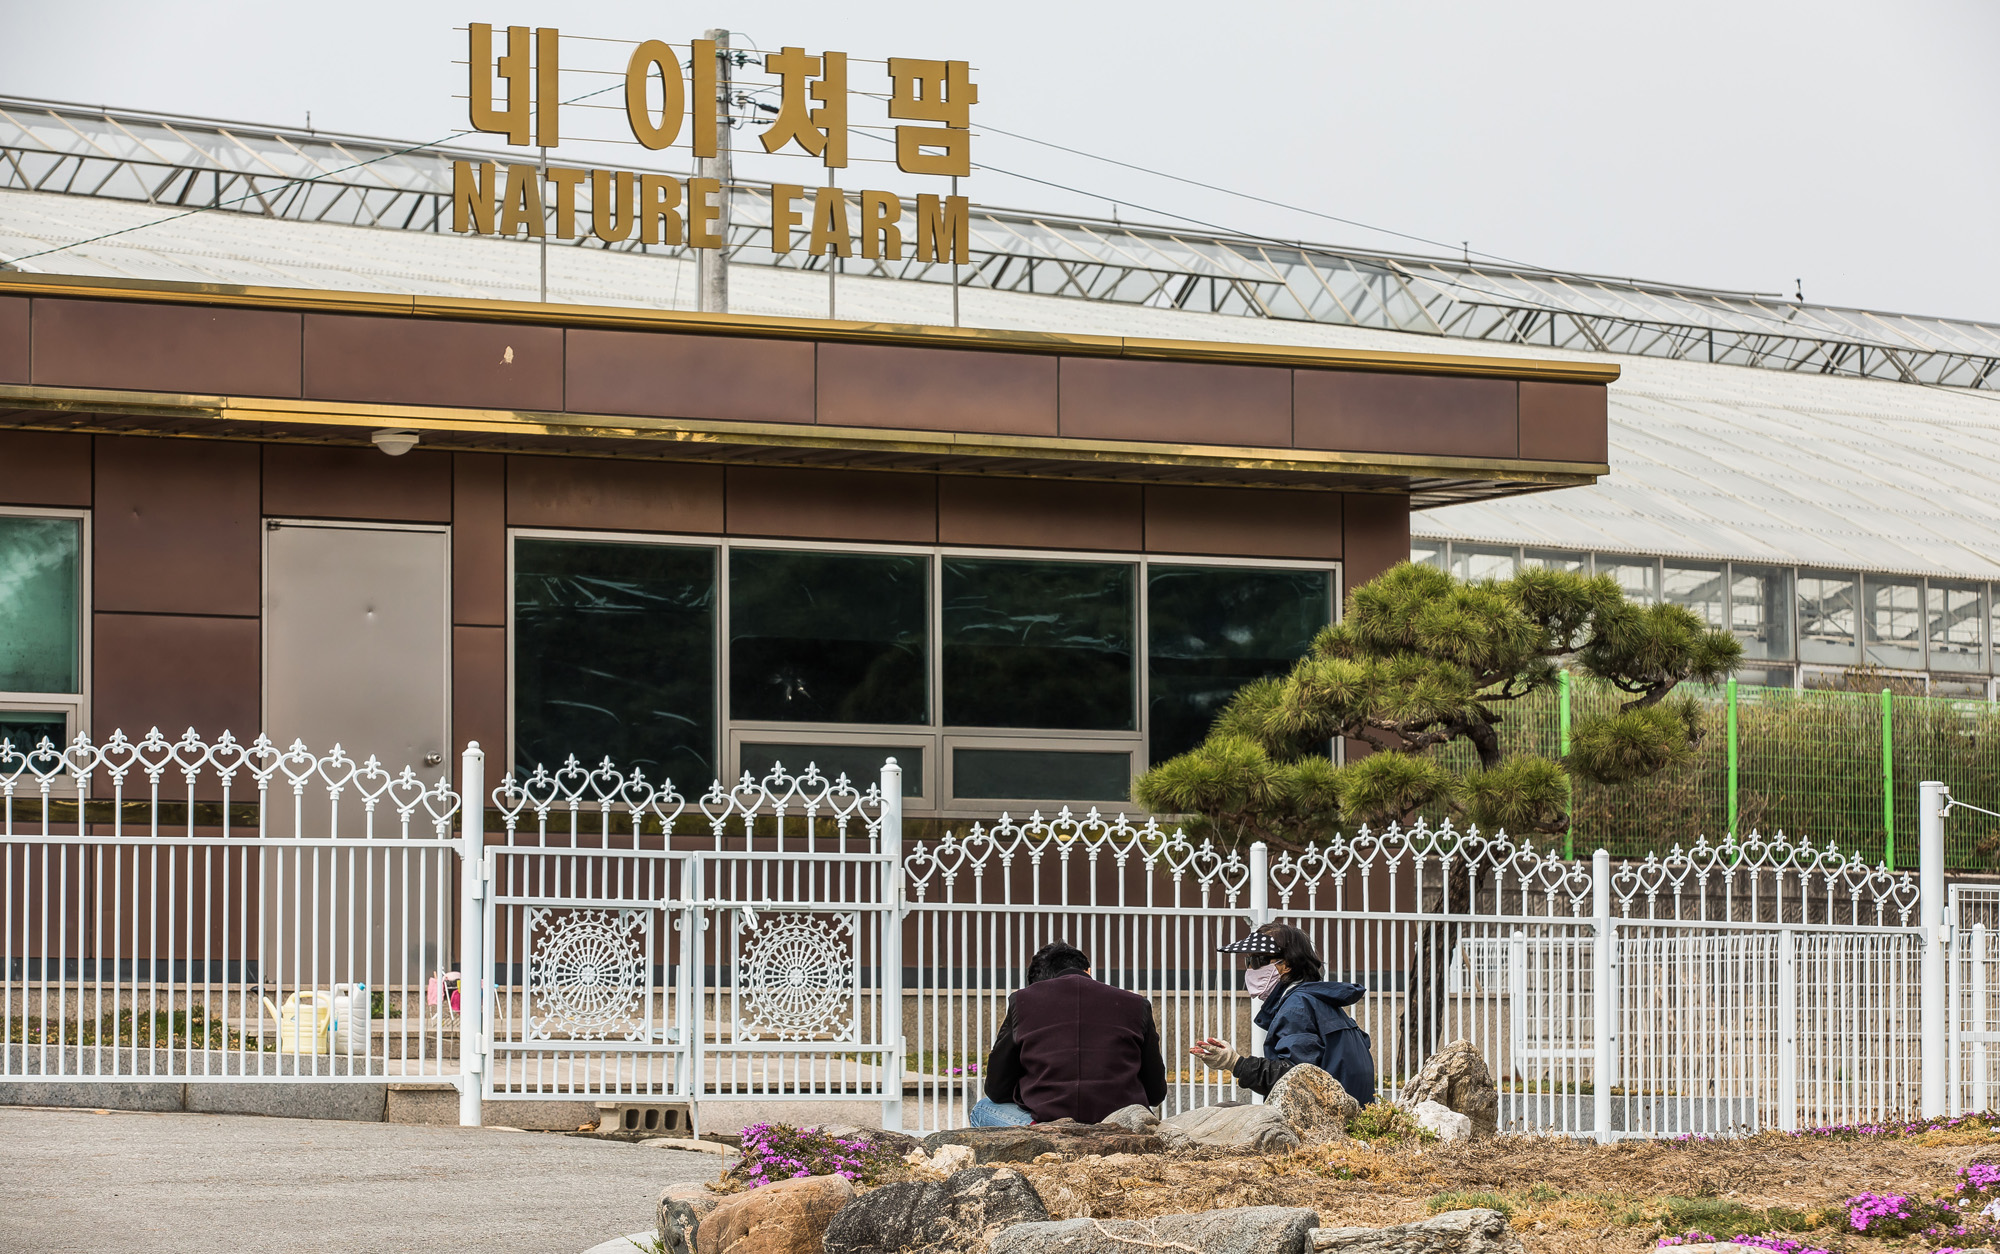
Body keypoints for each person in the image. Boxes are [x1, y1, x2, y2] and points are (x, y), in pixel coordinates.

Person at [971, 940, 1169, 1126]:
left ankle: (1035, 1133)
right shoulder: (1136, 1004)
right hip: (1121, 1124)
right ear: (1088, 971)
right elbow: (1155, 1093)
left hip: (1049, 1124)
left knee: (983, 1108)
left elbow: (996, 1090)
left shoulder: (1023, 1001)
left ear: (1038, 983)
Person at [1189, 923, 1376, 1105]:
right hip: (1346, 1116)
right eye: (1249, 961)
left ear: (1285, 965)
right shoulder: (1318, 1001)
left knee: (1223, 1112)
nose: (1250, 969)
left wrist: (1235, 1063)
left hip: (1324, 1121)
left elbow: (1294, 1078)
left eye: (1257, 962)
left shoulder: (1297, 1007)